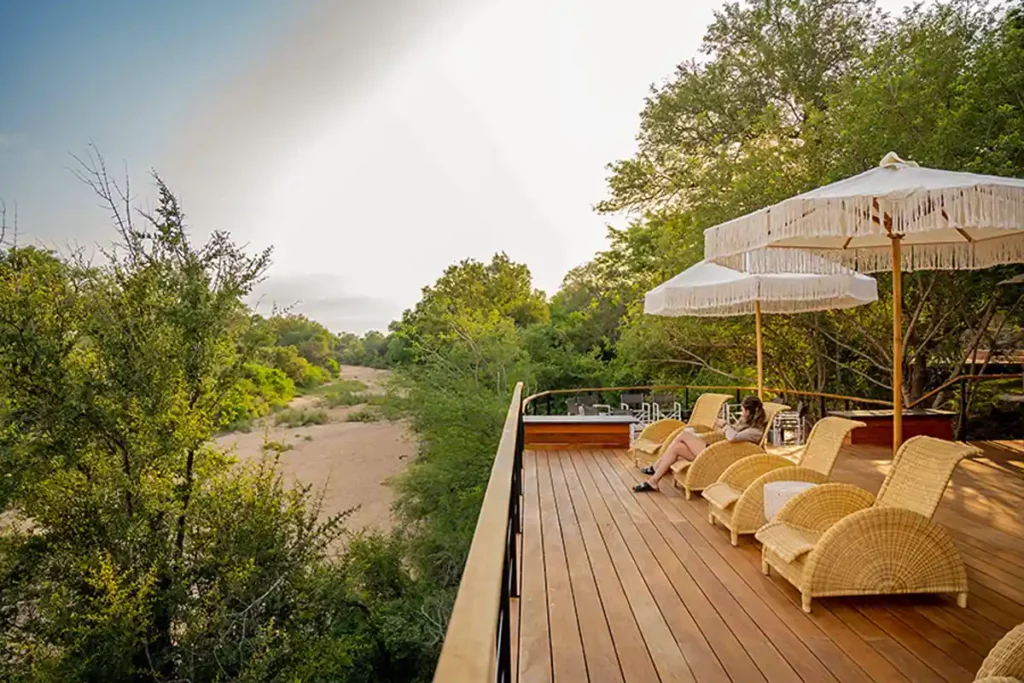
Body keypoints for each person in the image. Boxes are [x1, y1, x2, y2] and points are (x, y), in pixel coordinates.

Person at [633, 395, 767, 493]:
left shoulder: (755, 431)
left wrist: (725, 424)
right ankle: (653, 482)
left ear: (749, 412)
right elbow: (731, 434)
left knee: (684, 435)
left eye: (743, 411)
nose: (741, 413)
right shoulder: (746, 424)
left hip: (720, 459)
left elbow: (732, 438)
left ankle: (656, 466)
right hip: (718, 453)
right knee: (677, 447)